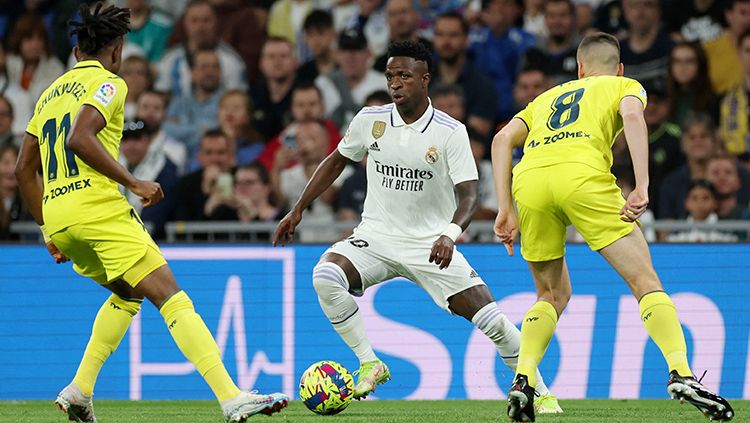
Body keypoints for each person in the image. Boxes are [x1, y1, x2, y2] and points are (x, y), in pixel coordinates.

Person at [13, 4, 288, 422]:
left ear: (74, 54)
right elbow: (80, 138)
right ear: (118, 50)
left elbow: (21, 169)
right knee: (171, 296)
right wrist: (134, 181)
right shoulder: (108, 84)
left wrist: (48, 228)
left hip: (60, 214)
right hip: (98, 208)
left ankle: (80, 390)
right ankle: (233, 398)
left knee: (128, 294)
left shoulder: (49, 93)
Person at [273, 40, 562, 415]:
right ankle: (369, 362)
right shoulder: (369, 121)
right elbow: (335, 160)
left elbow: (470, 196)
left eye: (404, 76)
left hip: (431, 244)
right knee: (326, 275)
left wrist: (450, 234)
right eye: (391, 76)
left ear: (425, 80)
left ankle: (540, 391)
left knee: (492, 320)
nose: (395, 83)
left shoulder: (449, 132)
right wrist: (297, 209)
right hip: (375, 238)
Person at [491, 32, 734, 422]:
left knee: (550, 295)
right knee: (645, 282)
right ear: (618, 68)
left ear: (580, 67)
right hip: (582, 177)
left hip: (530, 181)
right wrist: (641, 184)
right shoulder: (625, 85)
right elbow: (634, 116)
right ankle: (682, 373)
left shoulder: (546, 98)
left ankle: (524, 379)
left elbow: (502, 139)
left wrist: (506, 209)